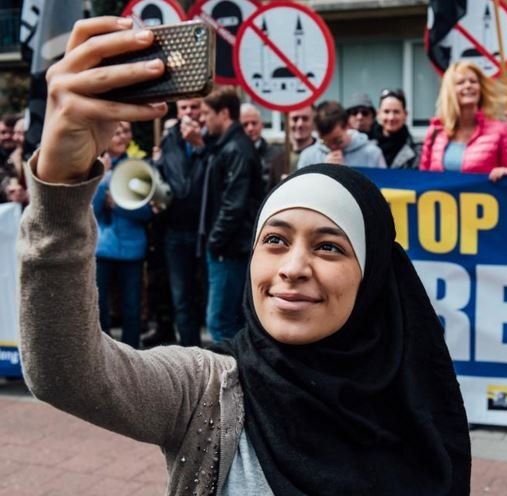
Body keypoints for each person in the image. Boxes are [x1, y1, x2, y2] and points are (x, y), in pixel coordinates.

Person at [18, 16, 471, 494]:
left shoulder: (415, 410)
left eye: (329, 247)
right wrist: (61, 185)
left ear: (372, 277)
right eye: (274, 240)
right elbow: (64, 371)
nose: (293, 269)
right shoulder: (209, 393)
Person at [199, 88, 265, 343]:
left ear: (224, 113)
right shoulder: (230, 146)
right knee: (227, 321)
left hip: (228, 249)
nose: (204, 119)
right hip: (228, 247)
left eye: (207, 113)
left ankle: (226, 381)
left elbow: (233, 205)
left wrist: (214, 242)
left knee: (220, 323)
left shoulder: (235, 149)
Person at [93, 122, 153, 349]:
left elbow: (146, 212)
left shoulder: (139, 167)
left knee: (132, 308)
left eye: (125, 131)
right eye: (115, 132)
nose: (120, 136)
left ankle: (131, 354)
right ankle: (104, 352)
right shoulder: (96, 166)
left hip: (131, 249)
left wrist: (117, 205)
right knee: (99, 307)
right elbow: (92, 210)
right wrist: (101, 179)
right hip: (104, 247)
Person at [154, 99, 208, 347]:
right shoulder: (169, 140)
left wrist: (200, 147)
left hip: (205, 230)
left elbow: (211, 178)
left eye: (194, 107)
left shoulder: (212, 138)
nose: (189, 113)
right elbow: (170, 180)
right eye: (184, 108)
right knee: (182, 299)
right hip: (175, 231)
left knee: (206, 296)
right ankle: (191, 356)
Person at [419, 61, 507, 182]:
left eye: (473, 81)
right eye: (460, 82)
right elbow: (422, 179)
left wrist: (506, 174)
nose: (468, 86)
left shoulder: (501, 131)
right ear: (450, 91)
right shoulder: (435, 132)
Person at [297, 100, 386, 169]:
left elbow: (382, 189)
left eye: (337, 140)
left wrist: (345, 173)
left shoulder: (372, 154)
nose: (333, 147)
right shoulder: (308, 156)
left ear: (347, 126)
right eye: (325, 143)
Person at [269, 105, 317, 188]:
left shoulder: (322, 156)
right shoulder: (278, 161)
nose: (300, 124)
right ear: (287, 122)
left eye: (305, 119)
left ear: (313, 122)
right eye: (295, 119)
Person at [240, 102, 281, 189]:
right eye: (245, 124)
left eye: (254, 123)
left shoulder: (276, 155)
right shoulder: (234, 155)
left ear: (262, 125)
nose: (250, 128)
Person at [376, 88, 419, 168]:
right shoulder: (366, 146)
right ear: (378, 114)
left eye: (396, 112)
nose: (391, 117)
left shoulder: (418, 150)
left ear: (405, 115)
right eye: (386, 111)